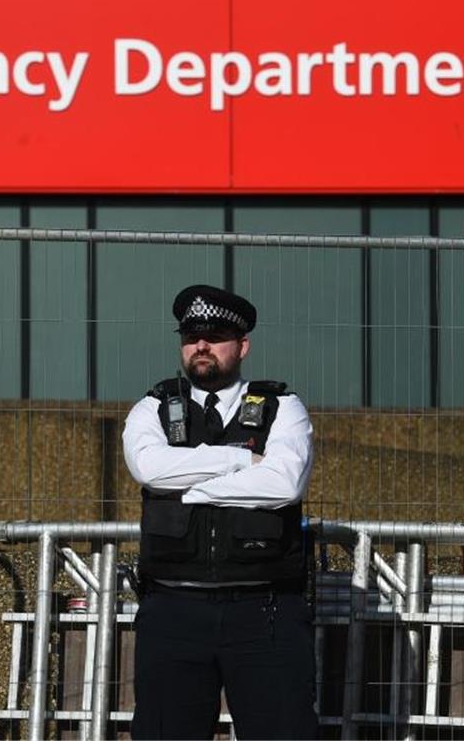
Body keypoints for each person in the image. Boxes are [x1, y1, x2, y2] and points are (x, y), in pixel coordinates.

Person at [122, 284, 318, 740]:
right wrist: (237, 460)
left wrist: (188, 486)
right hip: (173, 609)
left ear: (242, 345)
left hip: (265, 612)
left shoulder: (282, 408)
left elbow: (283, 484)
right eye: (191, 336)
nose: (201, 345)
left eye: (215, 335)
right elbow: (151, 469)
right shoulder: (152, 408)